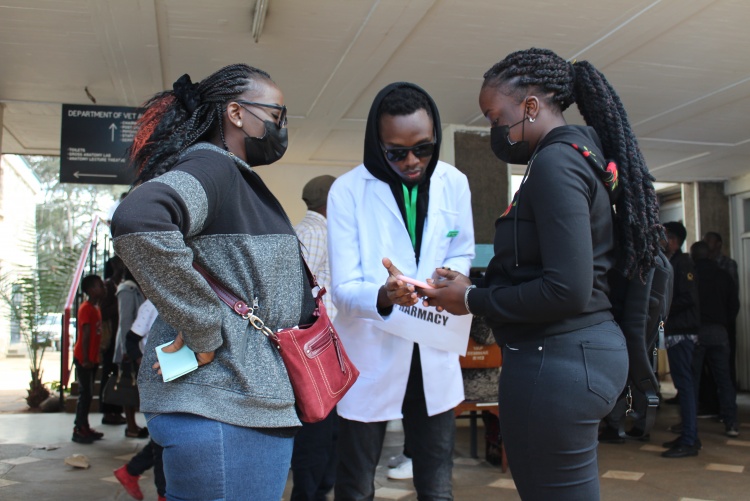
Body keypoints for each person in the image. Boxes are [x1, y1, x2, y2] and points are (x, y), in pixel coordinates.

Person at [422, 48, 663, 499]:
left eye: (496, 118)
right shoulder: (573, 156)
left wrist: (473, 299)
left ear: (531, 106)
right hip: (572, 354)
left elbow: (566, 289)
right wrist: (473, 288)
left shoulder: (557, 163)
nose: (494, 130)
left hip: (559, 359)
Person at [110, 64, 316, 500]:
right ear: (236, 113)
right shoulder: (213, 166)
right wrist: (202, 326)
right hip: (224, 407)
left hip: (234, 405)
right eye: (276, 114)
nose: (282, 126)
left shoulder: (233, 176)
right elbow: (139, 217)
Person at [328, 82, 475, 500]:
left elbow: (462, 249)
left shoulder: (453, 182)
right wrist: (384, 295)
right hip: (373, 351)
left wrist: (450, 279)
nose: (412, 161)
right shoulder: (348, 191)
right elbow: (343, 289)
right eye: (396, 152)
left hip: (433, 344)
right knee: (356, 484)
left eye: (423, 149)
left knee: (437, 481)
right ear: (378, 145)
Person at [290, 174, 339, 501]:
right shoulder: (315, 233)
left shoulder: (308, 230)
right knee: (318, 433)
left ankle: (316, 491)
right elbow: (301, 292)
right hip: (316, 349)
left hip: (318, 348)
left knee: (327, 431)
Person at [114, 299, 166, 501]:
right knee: (163, 437)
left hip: (176, 375)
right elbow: (131, 339)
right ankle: (162, 494)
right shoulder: (151, 305)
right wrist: (143, 363)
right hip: (157, 377)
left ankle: (130, 471)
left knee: (164, 436)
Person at [690, 241, 740, 437]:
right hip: (719, 331)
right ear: (709, 255)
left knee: (692, 380)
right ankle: (731, 423)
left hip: (697, 331)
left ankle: (690, 426)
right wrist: (724, 323)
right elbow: (734, 304)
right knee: (724, 379)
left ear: (694, 256)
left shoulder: (692, 276)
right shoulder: (723, 275)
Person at [661, 221, 702, 457]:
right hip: (677, 330)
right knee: (684, 386)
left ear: (674, 240)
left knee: (685, 387)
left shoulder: (682, 263)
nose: (660, 240)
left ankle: (689, 440)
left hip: (682, 332)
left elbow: (688, 298)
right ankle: (689, 435)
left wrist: (663, 308)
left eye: (664, 236)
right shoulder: (673, 262)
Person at [72, 274, 106, 444]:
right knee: (85, 394)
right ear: (91, 290)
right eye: (100, 286)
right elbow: (85, 335)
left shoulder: (95, 307)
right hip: (83, 357)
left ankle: (85, 426)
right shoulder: (86, 308)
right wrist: (85, 358)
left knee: (88, 394)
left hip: (92, 358)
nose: (103, 288)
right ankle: (78, 429)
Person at [113, 267, 147, 438]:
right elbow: (125, 321)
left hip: (136, 344)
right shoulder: (127, 290)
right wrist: (127, 349)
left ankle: (134, 425)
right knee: (128, 385)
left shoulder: (135, 288)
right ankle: (131, 426)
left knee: (134, 386)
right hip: (129, 346)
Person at [703, 231, 739, 386]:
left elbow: (732, 297)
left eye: (709, 241)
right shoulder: (701, 265)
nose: (706, 244)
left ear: (718, 244)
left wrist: (726, 320)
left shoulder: (727, 264)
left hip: (723, 322)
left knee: (725, 366)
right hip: (707, 322)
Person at [99, 255, 127, 426]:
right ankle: (108, 411)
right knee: (109, 374)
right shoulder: (109, 286)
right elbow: (102, 312)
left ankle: (116, 411)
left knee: (118, 375)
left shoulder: (120, 285)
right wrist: (119, 302)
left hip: (119, 338)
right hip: (111, 340)